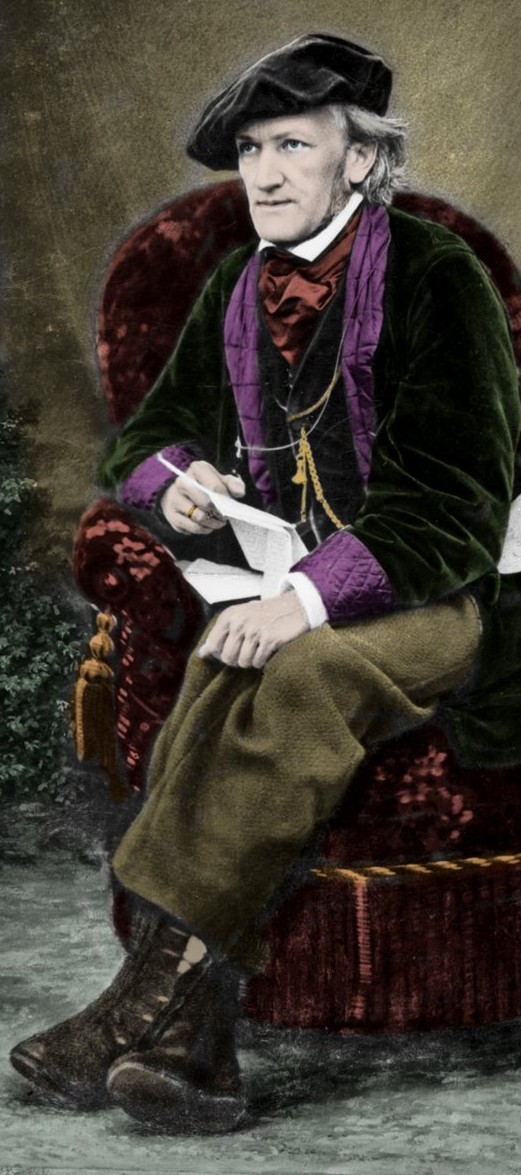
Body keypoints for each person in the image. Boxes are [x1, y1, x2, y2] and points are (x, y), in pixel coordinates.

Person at [10, 33, 521, 1133]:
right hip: (300, 579)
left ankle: (132, 1011)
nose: (265, 174)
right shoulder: (240, 286)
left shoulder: (439, 276)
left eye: (293, 144)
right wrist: (178, 479)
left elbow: (456, 504)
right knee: (218, 666)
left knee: (295, 673)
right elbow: (142, 436)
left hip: (447, 599)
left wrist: (301, 602)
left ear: (359, 159)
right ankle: (196, 1048)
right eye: (250, 150)